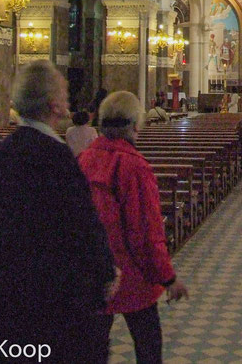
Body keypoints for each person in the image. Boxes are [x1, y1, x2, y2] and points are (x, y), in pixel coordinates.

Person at [0, 60, 117, 364]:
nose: (68, 99)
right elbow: (81, 225)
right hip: (57, 305)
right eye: (64, 92)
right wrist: (105, 273)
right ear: (54, 105)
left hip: (14, 297)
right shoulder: (56, 156)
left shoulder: (2, 153)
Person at [78, 91, 189, 364]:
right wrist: (168, 278)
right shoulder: (134, 166)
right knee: (148, 343)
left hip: (94, 271)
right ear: (134, 125)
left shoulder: (83, 159)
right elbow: (147, 231)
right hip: (131, 273)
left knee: (93, 347)